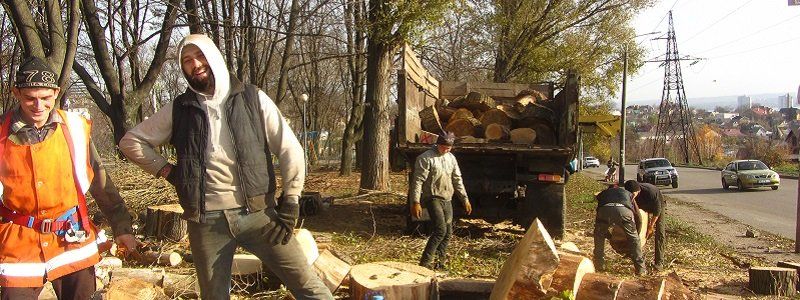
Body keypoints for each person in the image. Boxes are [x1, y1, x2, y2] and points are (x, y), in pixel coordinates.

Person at [119, 34, 332, 299]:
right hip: (206, 222)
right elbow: (131, 142)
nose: (195, 64)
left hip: (260, 215)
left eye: (200, 56)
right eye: (187, 61)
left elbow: (290, 148)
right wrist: (167, 171)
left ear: (215, 57)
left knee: (310, 287)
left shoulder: (253, 98)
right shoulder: (180, 108)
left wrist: (291, 200)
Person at [0, 56, 140, 299]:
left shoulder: (75, 128)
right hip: (19, 241)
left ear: (56, 93)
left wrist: (121, 226)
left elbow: (100, 182)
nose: (39, 105)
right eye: (30, 98)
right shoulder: (2, 133)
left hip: (70, 235)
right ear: (16, 93)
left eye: (46, 98)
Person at [409, 132, 473, 270]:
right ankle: (424, 263)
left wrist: (465, 199)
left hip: (447, 198)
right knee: (440, 230)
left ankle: (440, 263)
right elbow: (417, 181)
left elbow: (457, 179)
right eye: (443, 147)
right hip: (432, 197)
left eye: (449, 148)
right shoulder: (425, 158)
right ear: (438, 144)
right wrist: (415, 202)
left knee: (448, 233)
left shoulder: (451, 158)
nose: (446, 150)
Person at [593, 185, 646, 276]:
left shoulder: (603, 194)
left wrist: (608, 235)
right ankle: (641, 269)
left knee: (599, 235)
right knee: (634, 239)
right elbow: (638, 216)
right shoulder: (628, 194)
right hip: (623, 211)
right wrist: (635, 233)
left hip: (605, 210)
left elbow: (599, 212)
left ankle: (599, 265)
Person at [625, 180, 666, 270]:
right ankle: (632, 252)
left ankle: (659, 262)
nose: (632, 197)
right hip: (641, 206)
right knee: (634, 227)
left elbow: (657, 211)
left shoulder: (651, 192)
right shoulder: (629, 194)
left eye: (633, 194)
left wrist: (650, 226)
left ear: (638, 191)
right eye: (630, 195)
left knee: (660, 232)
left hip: (657, 205)